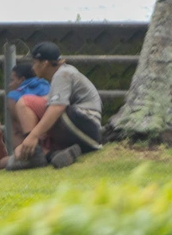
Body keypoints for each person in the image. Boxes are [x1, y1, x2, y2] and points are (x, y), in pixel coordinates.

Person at [6, 42, 103, 170]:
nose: (32, 68)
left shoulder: (62, 74)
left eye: (34, 63)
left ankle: (35, 154)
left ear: (44, 63)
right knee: (39, 107)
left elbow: (57, 107)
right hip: (86, 132)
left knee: (25, 102)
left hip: (84, 124)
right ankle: (52, 154)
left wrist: (32, 136)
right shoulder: (63, 73)